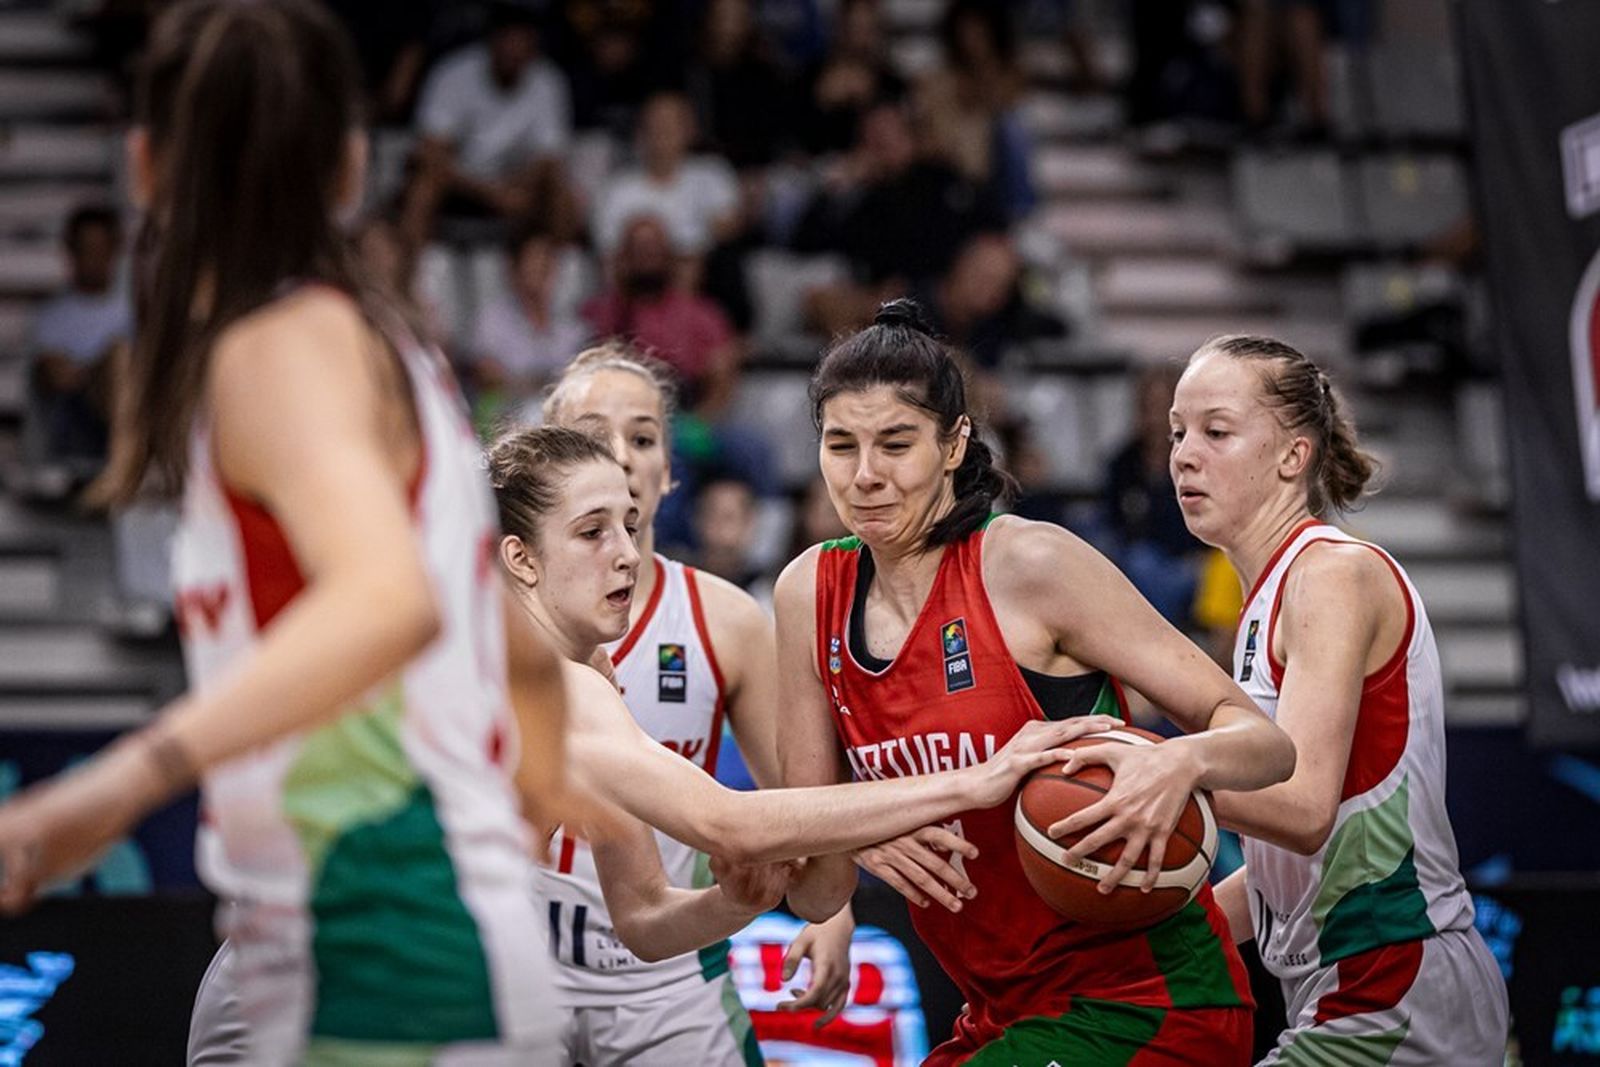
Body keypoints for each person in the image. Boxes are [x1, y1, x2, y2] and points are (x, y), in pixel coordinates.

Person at [0, 2, 580, 1062]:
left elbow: (389, 597)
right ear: (353, 168)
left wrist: (119, 782)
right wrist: (529, 815)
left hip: (380, 958)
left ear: (142, 165)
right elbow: (520, 650)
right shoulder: (397, 359)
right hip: (439, 946)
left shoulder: (277, 351)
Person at [773, 300, 1298, 1064]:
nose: (865, 475)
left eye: (895, 443)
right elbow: (815, 891)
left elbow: (1264, 742)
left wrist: (1176, 761)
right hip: (1004, 1012)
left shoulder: (1030, 566)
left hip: (1150, 1001)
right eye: (840, 444)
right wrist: (863, 829)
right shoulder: (806, 592)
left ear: (954, 444)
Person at [487, 421, 1109, 1064]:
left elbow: (643, 918)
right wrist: (969, 781)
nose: (626, 552)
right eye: (593, 532)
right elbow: (724, 821)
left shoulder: (585, 674)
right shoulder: (537, 676)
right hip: (423, 980)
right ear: (521, 558)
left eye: (630, 524)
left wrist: (733, 902)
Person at [1169, 334, 1509, 1063]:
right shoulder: (1261, 603)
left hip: (1398, 980)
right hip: (1350, 984)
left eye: (1216, 431)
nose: (1184, 453)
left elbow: (1302, 806)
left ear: (1294, 455)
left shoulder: (1330, 575)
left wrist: (1156, 775)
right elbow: (1281, 863)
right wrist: (1145, 935)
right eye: (1177, 430)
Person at [402, 1, 575, 245]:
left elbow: (549, 160)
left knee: (563, 194)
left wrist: (513, 190)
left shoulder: (548, 81)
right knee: (422, 185)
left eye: (522, 40)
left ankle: (548, 275)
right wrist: (491, 194)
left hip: (516, 186)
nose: (514, 49)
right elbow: (431, 152)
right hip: (459, 186)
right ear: (492, 40)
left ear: (534, 45)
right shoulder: (453, 73)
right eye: (507, 38)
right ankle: (409, 277)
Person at [27, 203, 131, 468]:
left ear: (114, 249)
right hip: (74, 424)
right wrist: (100, 372)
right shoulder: (52, 316)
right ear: (71, 251)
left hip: (124, 419)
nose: (94, 259)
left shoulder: (134, 311)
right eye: (87, 249)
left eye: (101, 248)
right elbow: (51, 375)